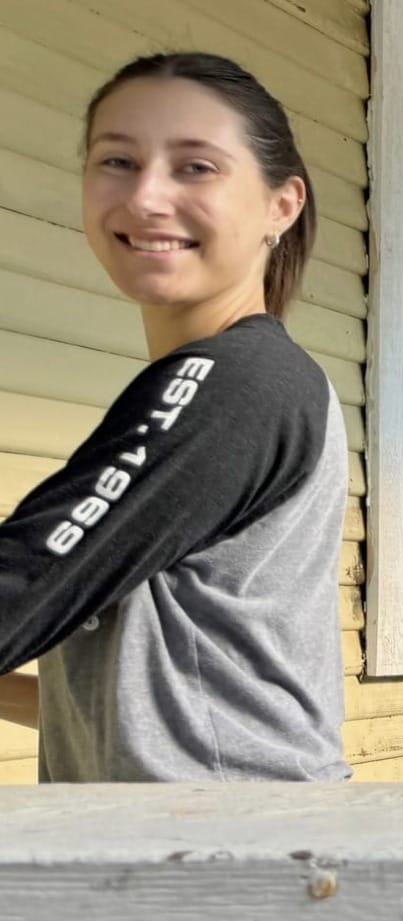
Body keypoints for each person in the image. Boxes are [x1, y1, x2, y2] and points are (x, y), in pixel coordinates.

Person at [0, 54, 350, 782]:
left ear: (281, 206)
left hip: (230, 861)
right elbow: (180, 685)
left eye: (195, 168)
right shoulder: (252, 382)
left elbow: (23, 584)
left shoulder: (238, 383)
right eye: (117, 160)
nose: (147, 196)